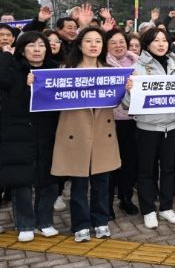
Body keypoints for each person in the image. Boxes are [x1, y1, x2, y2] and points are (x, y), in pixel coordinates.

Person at [51, 27, 121, 242]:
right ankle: (80, 224)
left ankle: (100, 221)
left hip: (102, 133)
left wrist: (127, 87)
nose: (93, 45)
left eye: (98, 41)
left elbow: (122, 103)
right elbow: (50, 99)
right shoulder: (66, 70)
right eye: (88, 41)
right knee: (79, 184)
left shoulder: (111, 71)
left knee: (102, 183)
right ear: (80, 45)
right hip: (76, 132)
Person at [0, 32, 60, 242]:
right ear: (22, 49)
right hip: (20, 133)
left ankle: (44, 221)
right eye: (31, 45)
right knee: (22, 181)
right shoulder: (13, 70)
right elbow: (9, 100)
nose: (37, 49)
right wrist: (23, 85)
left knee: (50, 180)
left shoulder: (55, 70)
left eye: (41, 45)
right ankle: (25, 224)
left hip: (48, 132)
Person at [123, 28, 175, 229]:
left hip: (173, 125)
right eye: (156, 40)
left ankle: (166, 207)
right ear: (147, 44)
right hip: (147, 127)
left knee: (168, 169)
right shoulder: (137, 68)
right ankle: (148, 210)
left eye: (164, 40)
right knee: (146, 171)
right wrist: (129, 91)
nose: (161, 44)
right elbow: (126, 104)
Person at [104, 29, 140, 217]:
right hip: (110, 122)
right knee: (110, 165)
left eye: (121, 42)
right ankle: (107, 203)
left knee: (130, 163)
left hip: (134, 121)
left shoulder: (138, 64)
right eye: (113, 43)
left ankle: (126, 198)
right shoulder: (101, 64)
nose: (118, 46)